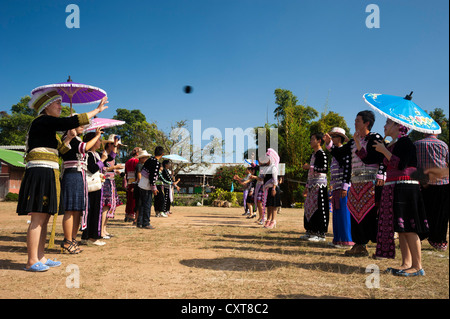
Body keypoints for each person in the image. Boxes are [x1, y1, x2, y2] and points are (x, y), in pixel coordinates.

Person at [16, 88, 108, 271]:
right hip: (40, 171)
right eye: (58, 103)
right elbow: (71, 120)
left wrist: (69, 138)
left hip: (49, 171)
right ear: (47, 106)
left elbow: (63, 151)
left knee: (45, 217)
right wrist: (96, 111)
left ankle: (40, 257)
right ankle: (31, 260)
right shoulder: (42, 121)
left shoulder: (49, 129)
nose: (60, 106)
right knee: (38, 217)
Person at [326, 110, 386, 257]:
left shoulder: (375, 137)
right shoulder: (353, 141)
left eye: (357, 120)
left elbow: (380, 157)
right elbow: (340, 154)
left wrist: (381, 175)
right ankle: (359, 245)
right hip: (356, 183)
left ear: (367, 123)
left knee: (372, 214)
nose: (354, 122)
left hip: (372, 182)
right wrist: (329, 145)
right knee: (356, 214)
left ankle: (381, 248)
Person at [373, 119, 428, 276]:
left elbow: (402, 165)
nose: (384, 126)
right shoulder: (394, 144)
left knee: (410, 227)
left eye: (388, 122)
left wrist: (385, 151)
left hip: (406, 186)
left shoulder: (406, 143)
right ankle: (406, 263)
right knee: (401, 227)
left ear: (399, 126)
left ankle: (418, 266)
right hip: (396, 186)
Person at [59, 124, 103, 254]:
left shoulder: (76, 139)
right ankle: (67, 241)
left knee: (77, 210)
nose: (83, 127)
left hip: (79, 175)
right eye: (81, 125)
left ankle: (73, 240)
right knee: (70, 209)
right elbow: (85, 148)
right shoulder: (69, 139)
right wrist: (97, 136)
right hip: (72, 173)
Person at [414, 134, 449, 251]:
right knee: (441, 215)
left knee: (422, 212)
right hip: (442, 182)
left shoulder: (417, 144)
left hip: (424, 183)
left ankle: (419, 236)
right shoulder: (443, 145)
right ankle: (439, 241)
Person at [325, 127, 354, 248]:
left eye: (334, 137)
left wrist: (344, 186)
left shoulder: (345, 151)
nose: (333, 139)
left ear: (340, 138)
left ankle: (346, 240)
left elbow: (348, 170)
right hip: (336, 187)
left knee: (344, 213)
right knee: (336, 213)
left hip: (343, 187)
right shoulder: (336, 153)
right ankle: (337, 239)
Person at [81, 131, 108, 246]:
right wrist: (102, 160)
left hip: (96, 185)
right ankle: (91, 237)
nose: (100, 142)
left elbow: (109, 158)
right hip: (91, 187)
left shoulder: (95, 154)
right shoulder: (89, 155)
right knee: (93, 211)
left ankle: (88, 236)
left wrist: (115, 146)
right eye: (98, 140)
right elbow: (92, 168)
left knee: (94, 211)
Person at [301, 133, 329, 242]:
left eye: (313, 139)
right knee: (309, 207)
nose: (310, 141)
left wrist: (310, 167)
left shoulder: (322, 154)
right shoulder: (313, 155)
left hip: (320, 185)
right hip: (312, 185)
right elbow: (310, 173)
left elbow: (325, 169)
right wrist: (307, 186)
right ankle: (311, 230)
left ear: (319, 141)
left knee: (319, 208)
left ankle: (320, 233)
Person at [100, 134, 124, 239]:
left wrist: (115, 170)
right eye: (115, 146)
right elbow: (103, 168)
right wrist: (114, 167)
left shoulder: (110, 156)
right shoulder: (103, 155)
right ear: (109, 144)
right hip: (105, 182)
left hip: (111, 182)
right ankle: (101, 230)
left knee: (109, 207)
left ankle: (104, 229)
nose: (116, 148)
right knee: (105, 207)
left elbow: (111, 162)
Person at [137, 146, 164, 229]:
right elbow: (152, 177)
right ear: (162, 154)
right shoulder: (156, 163)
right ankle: (146, 223)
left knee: (141, 205)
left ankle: (140, 222)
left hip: (141, 183)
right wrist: (154, 189)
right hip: (147, 185)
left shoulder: (149, 160)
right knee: (147, 204)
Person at [260, 148, 281, 229]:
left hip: (273, 189)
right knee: (268, 205)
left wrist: (274, 189)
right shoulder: (265, 168)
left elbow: (275, 179)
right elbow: (261, 178)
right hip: (267, 189)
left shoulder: (273, 167)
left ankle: (273, 221)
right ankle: (268, 220)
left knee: (274, 206)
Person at [133, 149, 151, 225]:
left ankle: (138, 220)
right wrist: (142, 184)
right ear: (141, 158)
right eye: (144, 157)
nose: (146, 159)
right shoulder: (139, 165)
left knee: (140, 204)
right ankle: (137, 220)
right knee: (140, 204)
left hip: (139, 186)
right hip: (139, 186)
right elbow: (139, 176)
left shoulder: (141, 165)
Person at [124, 147, 142, 222]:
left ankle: (128, 214)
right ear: (137, 154)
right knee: (135, 200)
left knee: (129, 199)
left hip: (129, 181)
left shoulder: (127, 162)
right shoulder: (137, 162)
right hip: (136, 181)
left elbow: (125, 172)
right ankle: (132, 214)